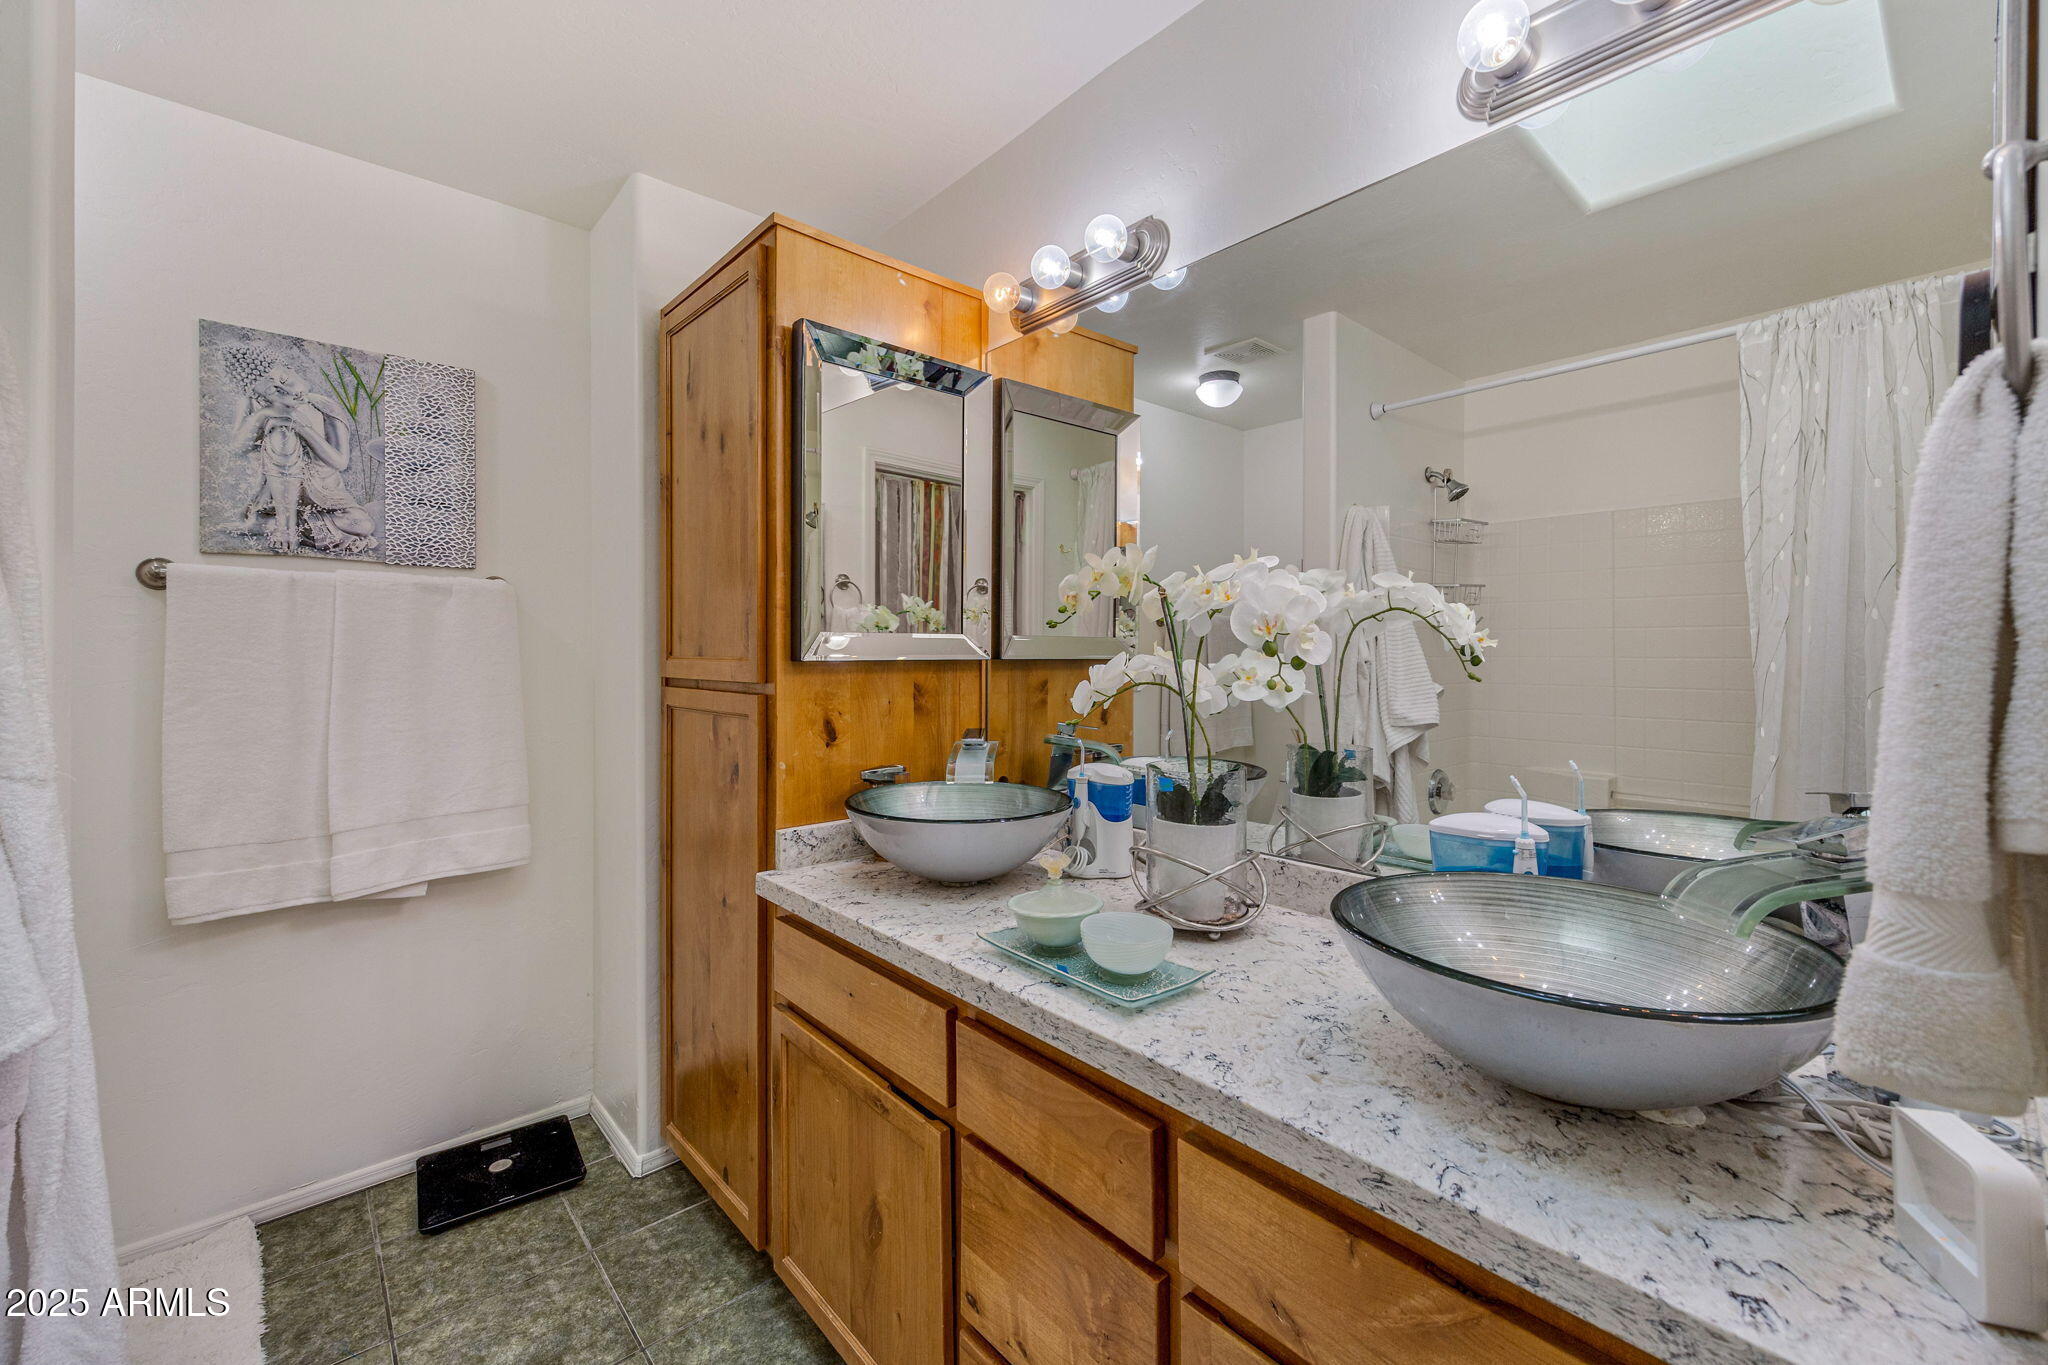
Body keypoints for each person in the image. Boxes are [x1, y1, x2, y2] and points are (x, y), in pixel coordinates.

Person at [228, 365, 377, 555]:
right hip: (278, 499)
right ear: (262, 396)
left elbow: (340, 462)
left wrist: (301, 427)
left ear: (292, 370)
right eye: (274, 391)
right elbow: (235, 448)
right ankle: (285, 527)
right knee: (282, 433)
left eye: (284, 380)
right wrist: (263, 415)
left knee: (363, 524)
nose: (288, 391)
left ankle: (279, 526)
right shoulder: (253, 405)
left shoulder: (323, 406)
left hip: (326, 496)